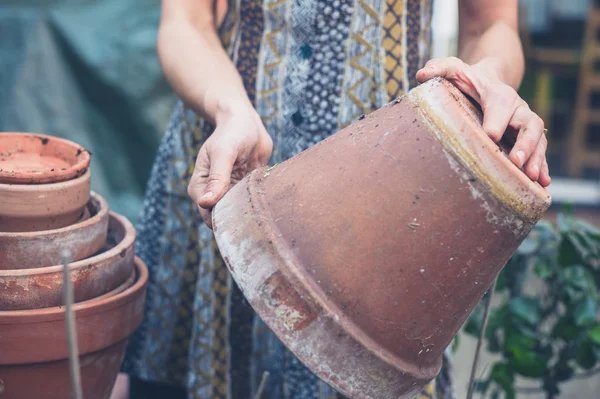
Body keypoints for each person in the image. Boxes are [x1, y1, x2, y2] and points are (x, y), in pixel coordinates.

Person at [121, 0, 550, 398]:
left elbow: (491, 24)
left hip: (390, 173)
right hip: (230, 149)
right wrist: (229, 110)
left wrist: (486, 78)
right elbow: (186, 22)